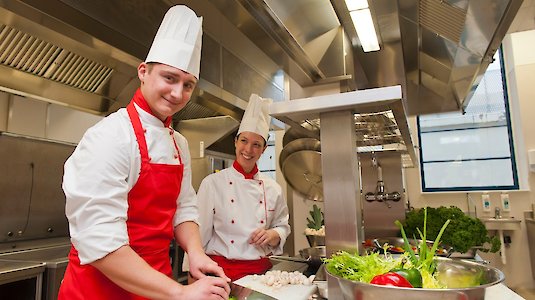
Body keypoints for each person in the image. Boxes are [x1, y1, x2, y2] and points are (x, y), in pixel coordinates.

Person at [58, 5, 230, 300]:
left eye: (188, 85)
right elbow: (100, 243)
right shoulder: (110, 136)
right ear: (143, 72)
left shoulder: (179, 143)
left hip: (156, 287)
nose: (178, 94)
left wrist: (196, 252)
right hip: (100, 289)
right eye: (169, 78)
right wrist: (179, 292)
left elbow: (184, 206)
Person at [195, 94, 291, 281]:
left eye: (256, 144)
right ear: (235, 142)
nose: (248, 150)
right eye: (244, 141)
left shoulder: (273, 188)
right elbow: (198, 234)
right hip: (220, 273)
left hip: (261, 274)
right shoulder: (212, 184)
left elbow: (283, 225)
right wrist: (193, 273)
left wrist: (274, 234)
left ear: (263, 150)